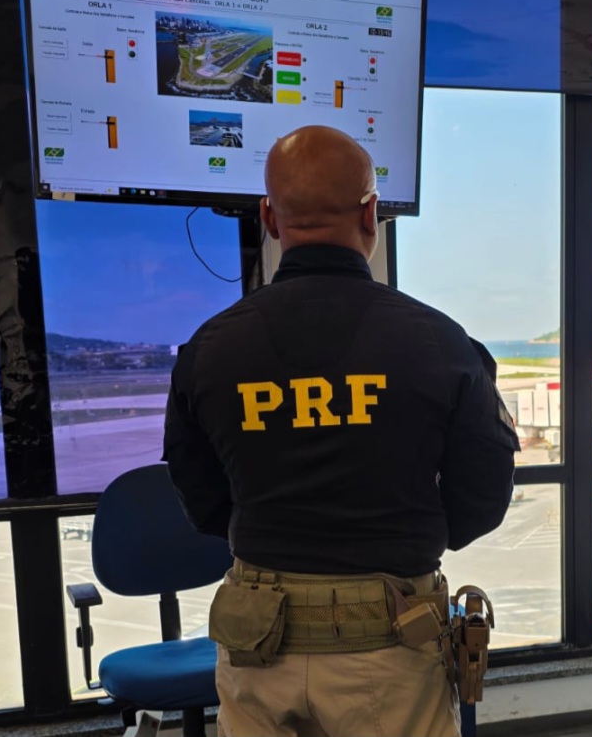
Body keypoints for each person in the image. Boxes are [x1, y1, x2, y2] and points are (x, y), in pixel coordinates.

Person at [162, 125, 519, 737]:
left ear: (268, 217)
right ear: (371, 213)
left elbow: (198, 493)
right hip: (390, 641)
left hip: (256, 641)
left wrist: (274, 540)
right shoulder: (439, 343)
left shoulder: (210, 348)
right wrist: (412, 538)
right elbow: (484, 492)